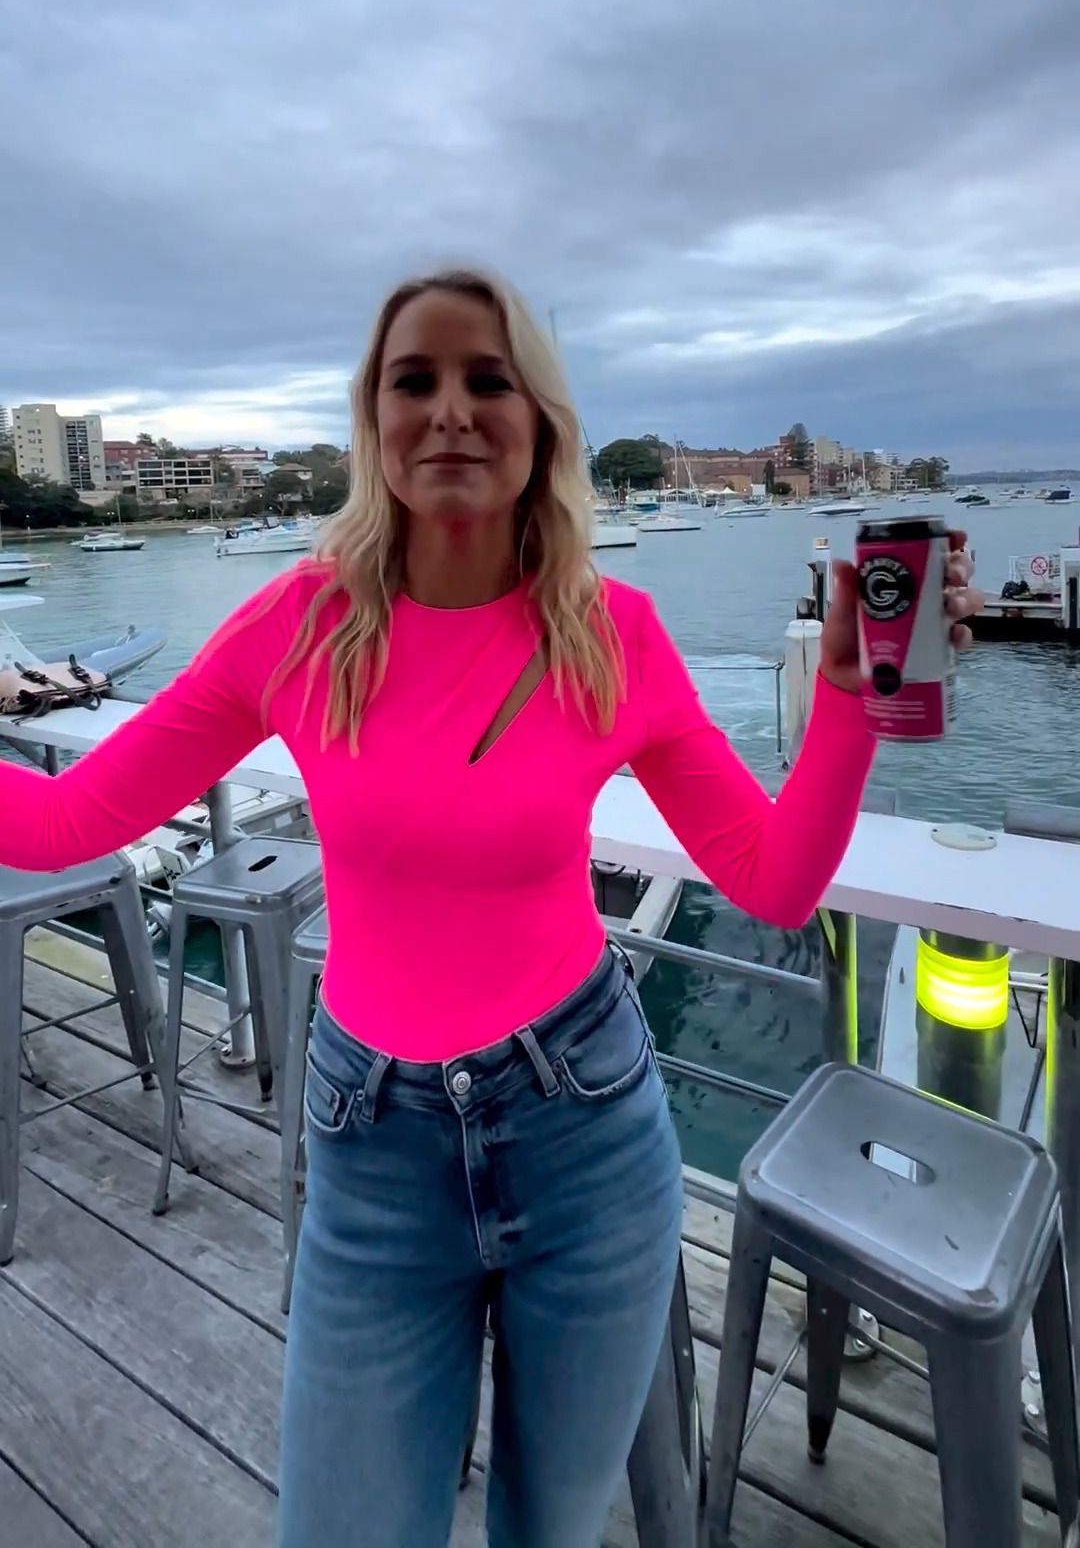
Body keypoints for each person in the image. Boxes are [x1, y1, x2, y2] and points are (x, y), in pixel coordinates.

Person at [0, 266, 980, 1547]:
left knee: (548, 1529)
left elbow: (773, 879)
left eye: (489, 379)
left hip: (585, 1138)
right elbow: (66, 822)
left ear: (542, 426)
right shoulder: (297, 629)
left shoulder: (612, 634)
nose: (452, 409)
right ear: (374, 420)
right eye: (415, 380)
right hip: (373, 1149)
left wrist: (848, 702)